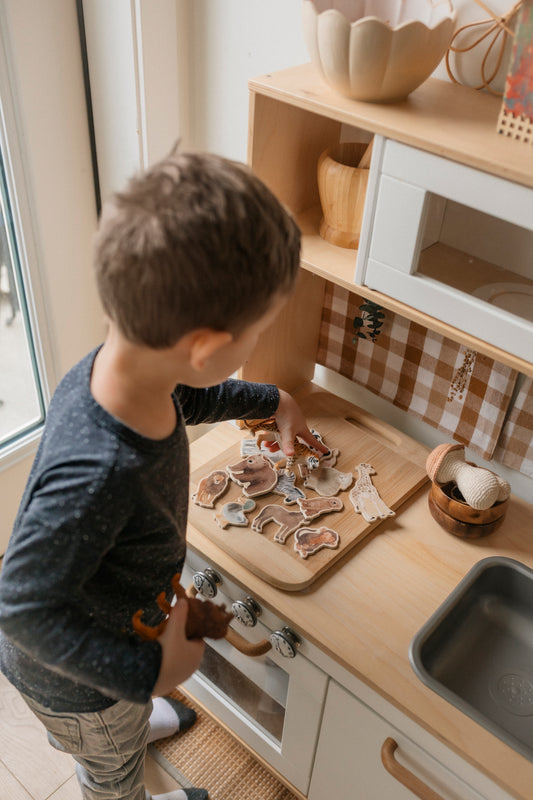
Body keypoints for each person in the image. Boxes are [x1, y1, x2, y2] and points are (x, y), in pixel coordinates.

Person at [0, 148, 328, 800]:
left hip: (117, 646)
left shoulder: (131, 368)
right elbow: (20, 607)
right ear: (205, 346)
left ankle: (131, 723)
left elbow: (191, 397)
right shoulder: (101, 472)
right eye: (256, 332)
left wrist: (271, 401)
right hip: (81, 686)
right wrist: (144, 673)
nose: (256, 344)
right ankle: (125, 759)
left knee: (119, 730)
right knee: (110, 775)